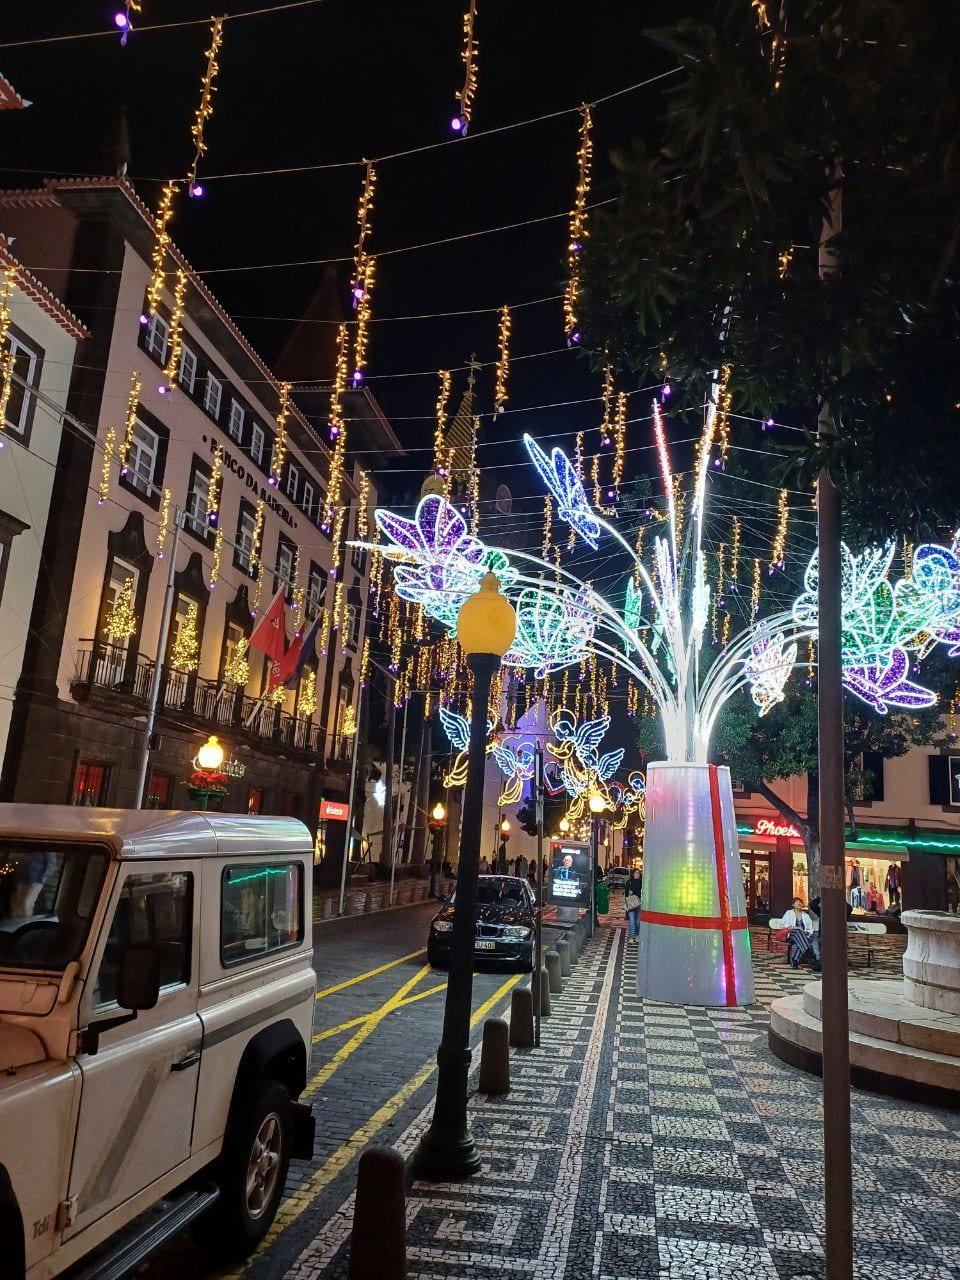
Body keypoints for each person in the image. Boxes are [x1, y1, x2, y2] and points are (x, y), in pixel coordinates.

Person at [782, 897, 821, 970]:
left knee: (798, 943)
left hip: (803, 936)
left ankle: (795, 961)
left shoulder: (806, 915)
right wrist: (795, 927)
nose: (799, 903)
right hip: (791, 933)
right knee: (798, 931)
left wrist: (806, 932)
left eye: (800, 902)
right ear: (793, 904)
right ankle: (809, 951)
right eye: (797, 902)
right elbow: (783, 924)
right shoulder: (789, 913)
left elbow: (810, 928)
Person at [623, 869, 643, 943]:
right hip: (631, 903)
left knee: (637, 921)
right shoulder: (629, 882)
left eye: (638, 873)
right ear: (633, 874)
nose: (637, 874)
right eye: (636, 873)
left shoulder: (642, 882)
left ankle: (637, 935)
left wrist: (633, 892)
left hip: (639, 903)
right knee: (631, 921)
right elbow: (626, 893)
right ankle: (631, 937)